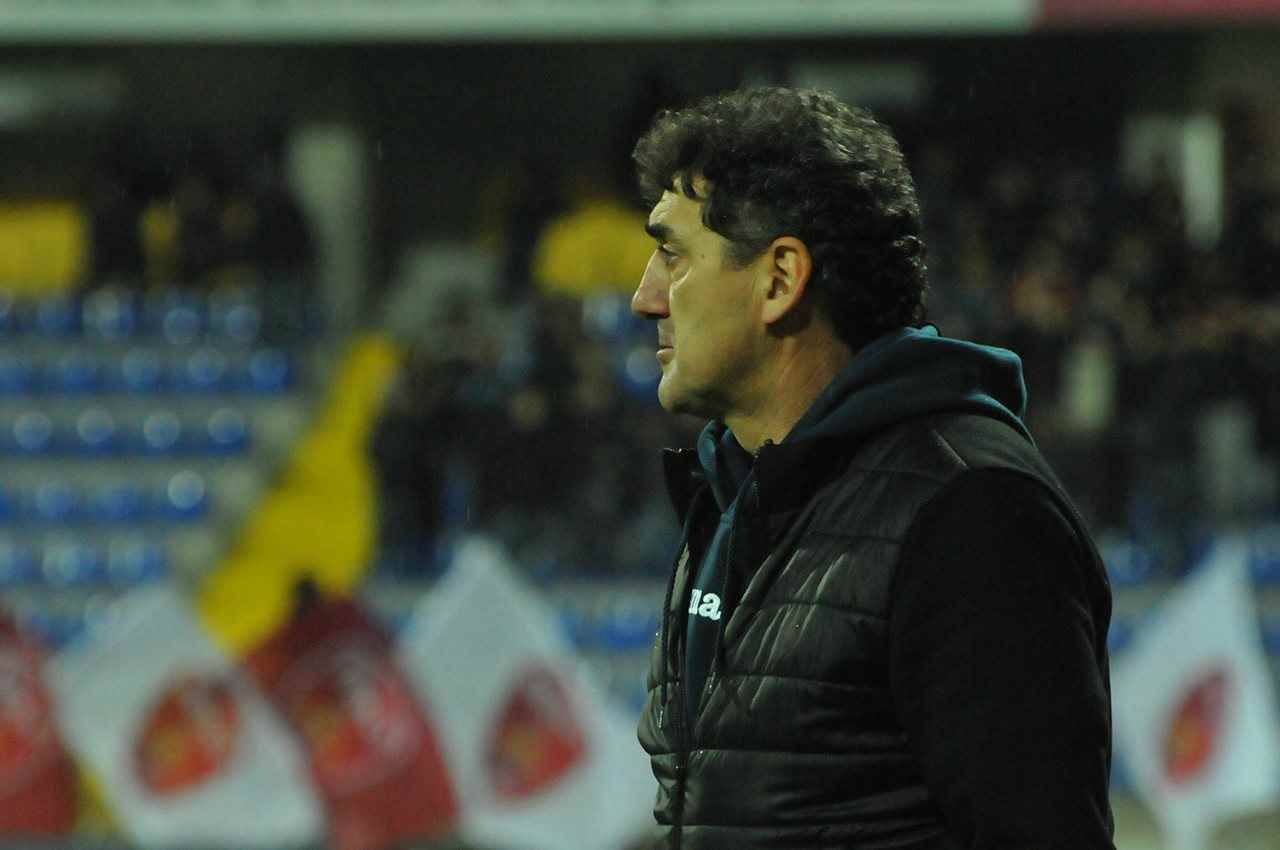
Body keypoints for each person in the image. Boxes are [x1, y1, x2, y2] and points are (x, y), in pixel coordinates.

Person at [628, 87, 1115, 849]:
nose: (644, 297)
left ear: (779, 279)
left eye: (673, 255)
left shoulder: (973, 512)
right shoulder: (734, 500)